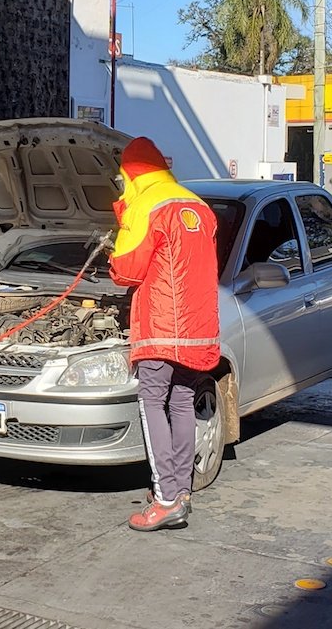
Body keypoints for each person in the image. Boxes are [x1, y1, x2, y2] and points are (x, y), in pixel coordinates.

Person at [109, 137, 220, 532]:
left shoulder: (147, 204)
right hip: (198, 327)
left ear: (131, 175)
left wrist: (122, 219)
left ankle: (166, 500)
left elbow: (126, 269)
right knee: (183, 401)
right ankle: (181, 491)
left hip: (160, 326)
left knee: (152, 402)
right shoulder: (200, 207)